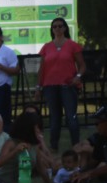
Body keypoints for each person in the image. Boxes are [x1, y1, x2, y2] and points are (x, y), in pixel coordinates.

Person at [36, 17, 86, 150]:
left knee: (71, 117)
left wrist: (78, 76)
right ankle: (54, 146)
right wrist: (38, 86)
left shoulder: (73, 45)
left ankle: (76, 145)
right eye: (54, 27)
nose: (57, 29)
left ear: (65, 28)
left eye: (60, 26)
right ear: (51, 30)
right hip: (49, 86)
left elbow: (82, 65)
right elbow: (42, 69)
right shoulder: (46, 47)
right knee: (54, 117)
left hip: (68, 85)